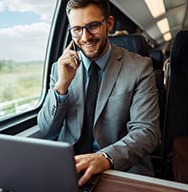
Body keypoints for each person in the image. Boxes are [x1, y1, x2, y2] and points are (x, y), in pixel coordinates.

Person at [37, 0, 161, 187]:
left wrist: (104, 157)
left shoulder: (139, 68)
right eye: (77, 29)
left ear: (109, 24)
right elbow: (47, 130)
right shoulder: (59, 69)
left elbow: (147, 132)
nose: (85, 37)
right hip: (70, 168)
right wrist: (61, 86)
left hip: (121, 168)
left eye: (93, 26)